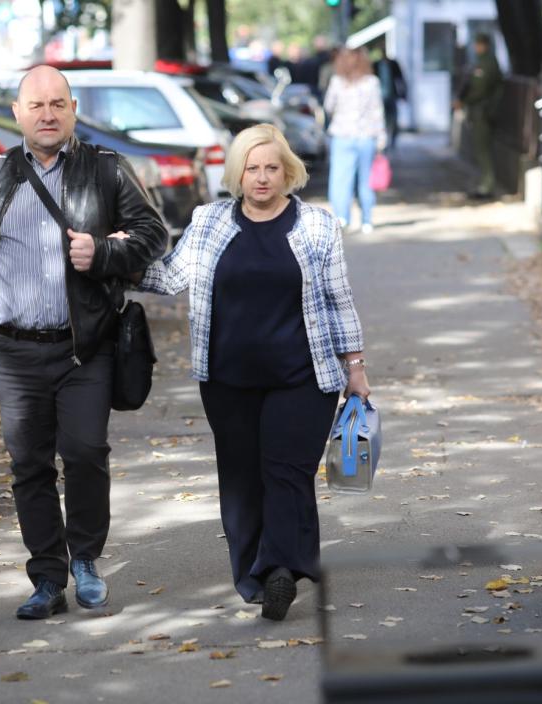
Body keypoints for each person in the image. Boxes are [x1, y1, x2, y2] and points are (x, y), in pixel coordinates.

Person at [0, 66, 168, 620]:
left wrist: (103, 253)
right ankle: (47, 577)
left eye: (57, 104)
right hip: (15, 352)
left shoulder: (105, 170)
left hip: (84, 346)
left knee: (86, 453)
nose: (48, 114)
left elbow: (153, 235)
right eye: (37, 105)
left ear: (72, 111)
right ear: (17, 113)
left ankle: (85, 559)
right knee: (30, 466)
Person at [134, 123, 370, 621]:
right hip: (227, 381)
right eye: (251, 168)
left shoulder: (317, 226)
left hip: (302, 377)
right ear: (236, 175)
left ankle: (282, 568)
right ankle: (253, 575)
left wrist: (355, 368)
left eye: (271, 168)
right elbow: (170, 276)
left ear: (287, 172)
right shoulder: (209, 221)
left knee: (287, 472)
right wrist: (112, 260)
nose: (261, 177)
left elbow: (338, 299)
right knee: (241, 480)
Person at [324, 48, 387, 234]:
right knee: (366, 179)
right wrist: (381, 138)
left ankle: (342, 216)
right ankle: (367, 220)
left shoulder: (337, 82)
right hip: (366, 137)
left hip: (342, 136)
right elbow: (377, 112)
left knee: (340, 179)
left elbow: (328, 106)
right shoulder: (372, 82)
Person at [454, 33, 503, 199]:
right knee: (479, 149)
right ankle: (484, 183)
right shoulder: (481, 62)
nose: (476, 47)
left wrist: (464, 100)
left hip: (484, 112)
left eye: (479, 44)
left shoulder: (487, 63)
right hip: (478, 112)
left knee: (483, 150)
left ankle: (487, 184)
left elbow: (480, 89)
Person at [372, 45, 407, 151]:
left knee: (393, 119)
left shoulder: (393, 64)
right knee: (382, 120)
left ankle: (392, 141)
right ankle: (383, 141)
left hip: (391, 96)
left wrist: (403, 94)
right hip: (379, 97)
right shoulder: (376, 65)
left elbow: (400, 79)